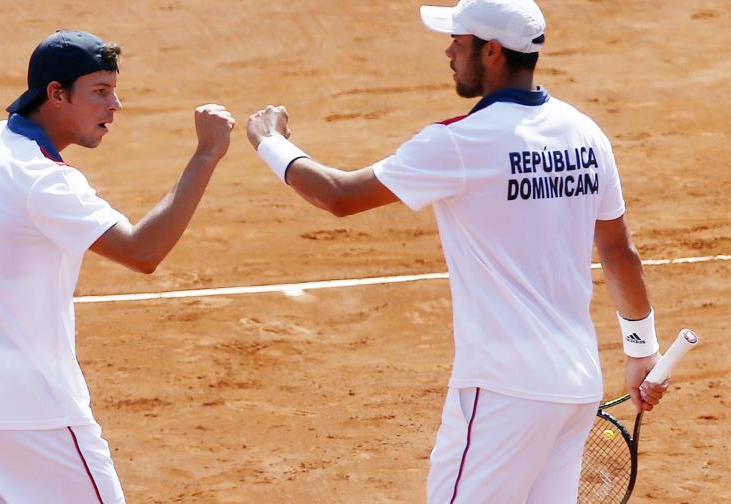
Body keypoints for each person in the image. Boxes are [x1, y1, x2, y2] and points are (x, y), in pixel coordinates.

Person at [246, 1, 668, 502]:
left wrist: (269, 142)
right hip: (574, 389)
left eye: (459, 42)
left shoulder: (461, 143)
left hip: (502, 391)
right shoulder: (586, 134)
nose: (449, 51)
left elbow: (338, 195)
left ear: (491, 52)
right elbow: (621, 254)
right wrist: (642, 349)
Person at [0, 30, 235, 503]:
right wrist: (206, 155)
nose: (114, 105)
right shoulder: (46, 183)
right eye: (99, 92)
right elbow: (143, 251)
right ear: (56, 94)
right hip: (33, 411)